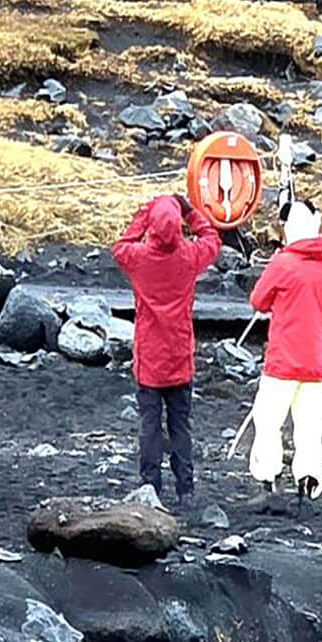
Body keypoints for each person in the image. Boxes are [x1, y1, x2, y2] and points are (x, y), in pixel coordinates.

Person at [113, 194, 222, 504]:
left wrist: (146, 214)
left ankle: (150, 484)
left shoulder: (139, 259)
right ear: (177, 228)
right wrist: (190, 211)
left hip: (149, 359)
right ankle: (185, 487)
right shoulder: (188, 258)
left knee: (149, 425)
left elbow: (120, 246)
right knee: (180, 425)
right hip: (179, 359)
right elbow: (212, 238)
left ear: (153, 229)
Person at [247, 199, 322, 502]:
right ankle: (309, 481)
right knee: (310, 427)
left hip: (283, 361)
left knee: (268, 421)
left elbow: (258, 301)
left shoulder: (283, 263)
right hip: (316, 362)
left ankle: (269, 479)